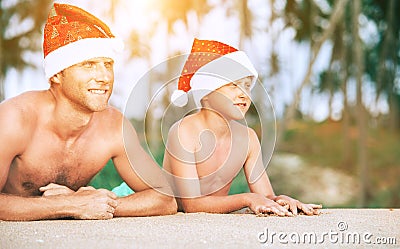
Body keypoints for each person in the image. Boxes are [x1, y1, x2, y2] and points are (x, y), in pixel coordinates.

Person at [0, 3, 176, 221]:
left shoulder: (112, 126)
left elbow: (165, 198)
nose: (104, 77)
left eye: (107, 64)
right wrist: (69, 205)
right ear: (56, 74)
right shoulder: (14, 118)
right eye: (88, 64)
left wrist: (98, 204)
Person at [163, 38, 322, 216]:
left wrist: (281, 200)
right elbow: (192, 206)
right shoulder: (183, 132)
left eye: (247, 86)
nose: (244, 94)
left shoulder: (249, 138)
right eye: (233, 85)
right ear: (206, 93)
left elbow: (265, 195)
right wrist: (248, 198)